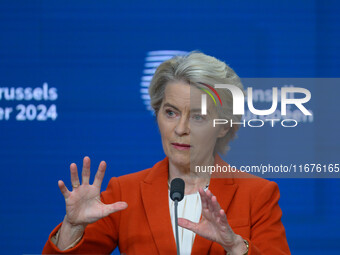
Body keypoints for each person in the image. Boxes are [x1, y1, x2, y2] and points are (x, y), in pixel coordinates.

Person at [42, 52, 290, 254]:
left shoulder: (258, 194)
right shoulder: (125, 192)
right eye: (170, 113)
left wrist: (235, 246)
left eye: (198, 117)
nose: (181, 129)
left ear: (223, 126)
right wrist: (72, 228)